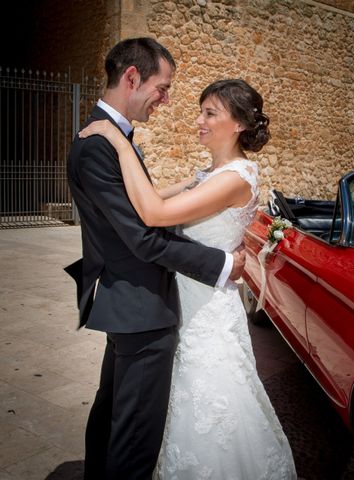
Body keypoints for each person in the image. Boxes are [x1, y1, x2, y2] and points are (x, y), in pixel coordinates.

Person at [79, 79, 297, 479]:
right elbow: (152, 198)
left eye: (209, 113)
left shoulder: (238, 177)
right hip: (182, 301)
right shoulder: (206, 174)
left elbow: (154, 216)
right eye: (201, 111)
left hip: (208, 313)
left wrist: (118, 140)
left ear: (239, 124)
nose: (198, 120)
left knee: (211, 406)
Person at [65, 38, 245, 480]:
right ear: (132, 78)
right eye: (162, 88)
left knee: (113, 418)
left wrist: (183, 189)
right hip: (141, 308)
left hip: (129, 303)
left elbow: (139, 213)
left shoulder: (108, 138)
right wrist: (222, 264)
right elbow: (143, 239)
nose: (166, 99)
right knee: (134, 439)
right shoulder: (99, 145)